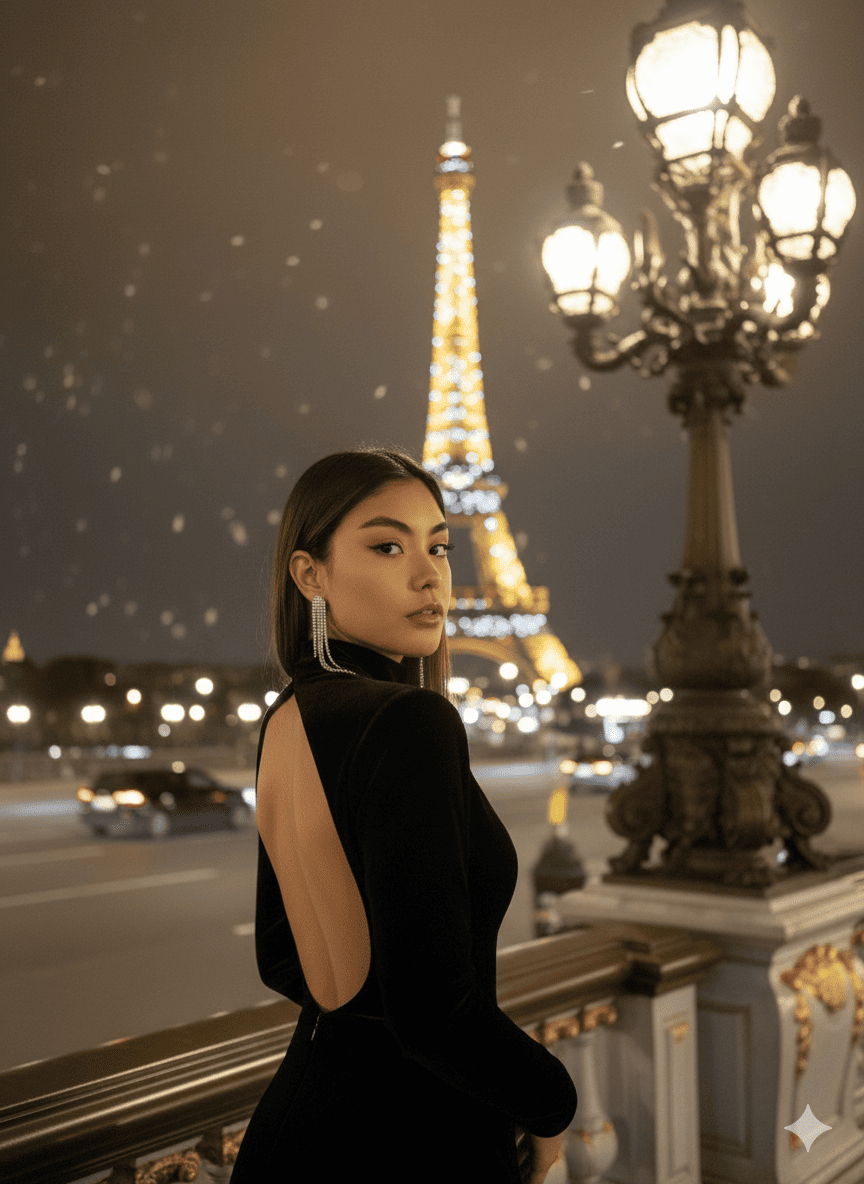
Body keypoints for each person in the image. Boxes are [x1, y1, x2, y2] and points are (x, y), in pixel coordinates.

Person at [229, 445, 577, 1183]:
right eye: (388, 546)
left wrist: (361, 1016)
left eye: (439, 547)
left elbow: (280, 956)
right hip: (412, 1140)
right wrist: (552, 1102)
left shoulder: (288, 715)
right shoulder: (409, 721)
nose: (430, 575)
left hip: (303, 1128)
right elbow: (434, 1014)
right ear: (309, 575)